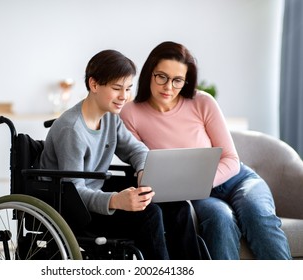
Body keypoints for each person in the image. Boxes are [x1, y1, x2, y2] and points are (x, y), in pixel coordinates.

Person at [120, 41, 292, 260]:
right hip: (195, 194)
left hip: (236, 179)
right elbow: (140, 160)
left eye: (177, 80)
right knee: (220, 219)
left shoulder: (202, 101)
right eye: (161, 76)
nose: (168, 87)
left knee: (257, 215)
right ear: (149, 73)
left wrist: (201, 182)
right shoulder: (130, 113)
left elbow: (230, 159)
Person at [40, 49, 170, 259]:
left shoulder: (110, 118)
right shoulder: (72, 129)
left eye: (128, 88)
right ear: (94, 85)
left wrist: (143, 171)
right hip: (75, 210)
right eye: (117, 88)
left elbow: (137, 149)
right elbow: (73, 191)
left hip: (95, 194)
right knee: (150, 213)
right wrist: (116, 201)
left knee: (176, 206)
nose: (124, 97)